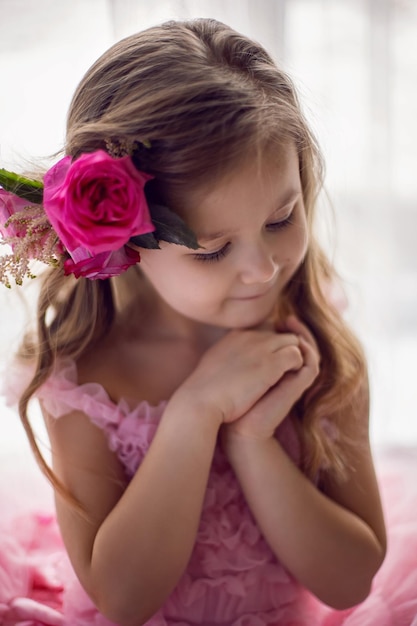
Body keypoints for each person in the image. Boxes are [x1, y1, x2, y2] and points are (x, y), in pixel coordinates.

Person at [0, 17, 416, 626]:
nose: (263, 269)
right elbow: (123, 599)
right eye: (212, 250)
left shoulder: (312, 340)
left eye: (281, 219)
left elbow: (350, 579)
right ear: (122, 246)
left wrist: (253, 441)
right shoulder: (84, 375)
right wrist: (195, 413)